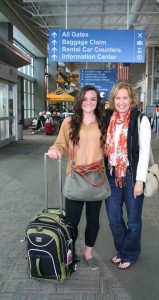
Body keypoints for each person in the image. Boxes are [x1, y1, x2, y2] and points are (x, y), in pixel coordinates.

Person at [48, 85, 106, 270]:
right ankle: (70, 251)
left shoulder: (104, 121)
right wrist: (55, 149)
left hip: (96, 178)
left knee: (93, 220)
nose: (89, 102)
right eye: (85, 98)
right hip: (75, 177)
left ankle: (88, 252)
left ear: (97, 102)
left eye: (93, 99)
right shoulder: (69, 122)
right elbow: (61, 144)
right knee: (71, 221)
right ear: (79, 101)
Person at [104, 82, 151, 269]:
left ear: (132, 99)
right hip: (112, 174)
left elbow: (145, 152)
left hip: (132, 176)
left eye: (125, 97)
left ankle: (129, 254)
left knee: (133, 221)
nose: (121, 101)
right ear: (113, 100)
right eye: (118, 97)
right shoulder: (108, 119)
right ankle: (122, 250)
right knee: (114, 218)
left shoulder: (141, 120)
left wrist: (140, 181)